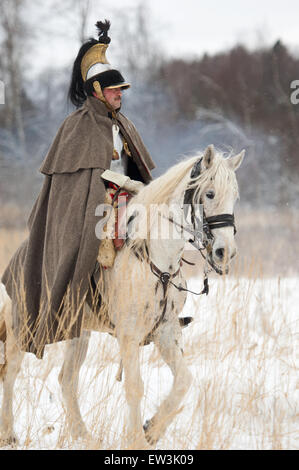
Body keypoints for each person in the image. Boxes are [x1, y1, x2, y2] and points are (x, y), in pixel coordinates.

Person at [1, 20, 155, 358]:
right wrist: (108, 192)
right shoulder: (76, 127)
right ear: (98, 91)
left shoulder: (122, 124)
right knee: (91, 240)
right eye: (115, 90)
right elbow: (75, 186)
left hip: (126, 200)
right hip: (90, 207)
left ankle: (156, 310)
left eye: (121, 90)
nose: (120, 94)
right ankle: (86, 307)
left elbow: (137, 170)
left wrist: (143, 192)